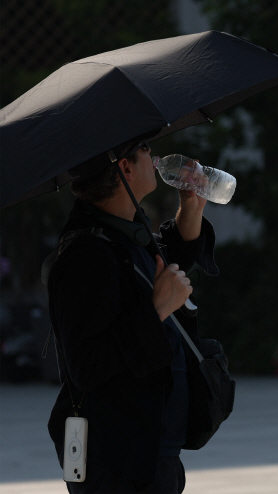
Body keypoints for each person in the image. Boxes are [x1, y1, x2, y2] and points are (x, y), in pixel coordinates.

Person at [45, 135, 220, 493]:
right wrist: (157, 308)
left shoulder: (122, 233)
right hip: (119, 460)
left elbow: (167, 265)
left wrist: (193, 207)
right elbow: (87, 365)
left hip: (150, 448)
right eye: (143, 148)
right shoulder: (86, 254)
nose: (152, 153)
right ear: (124, 167)